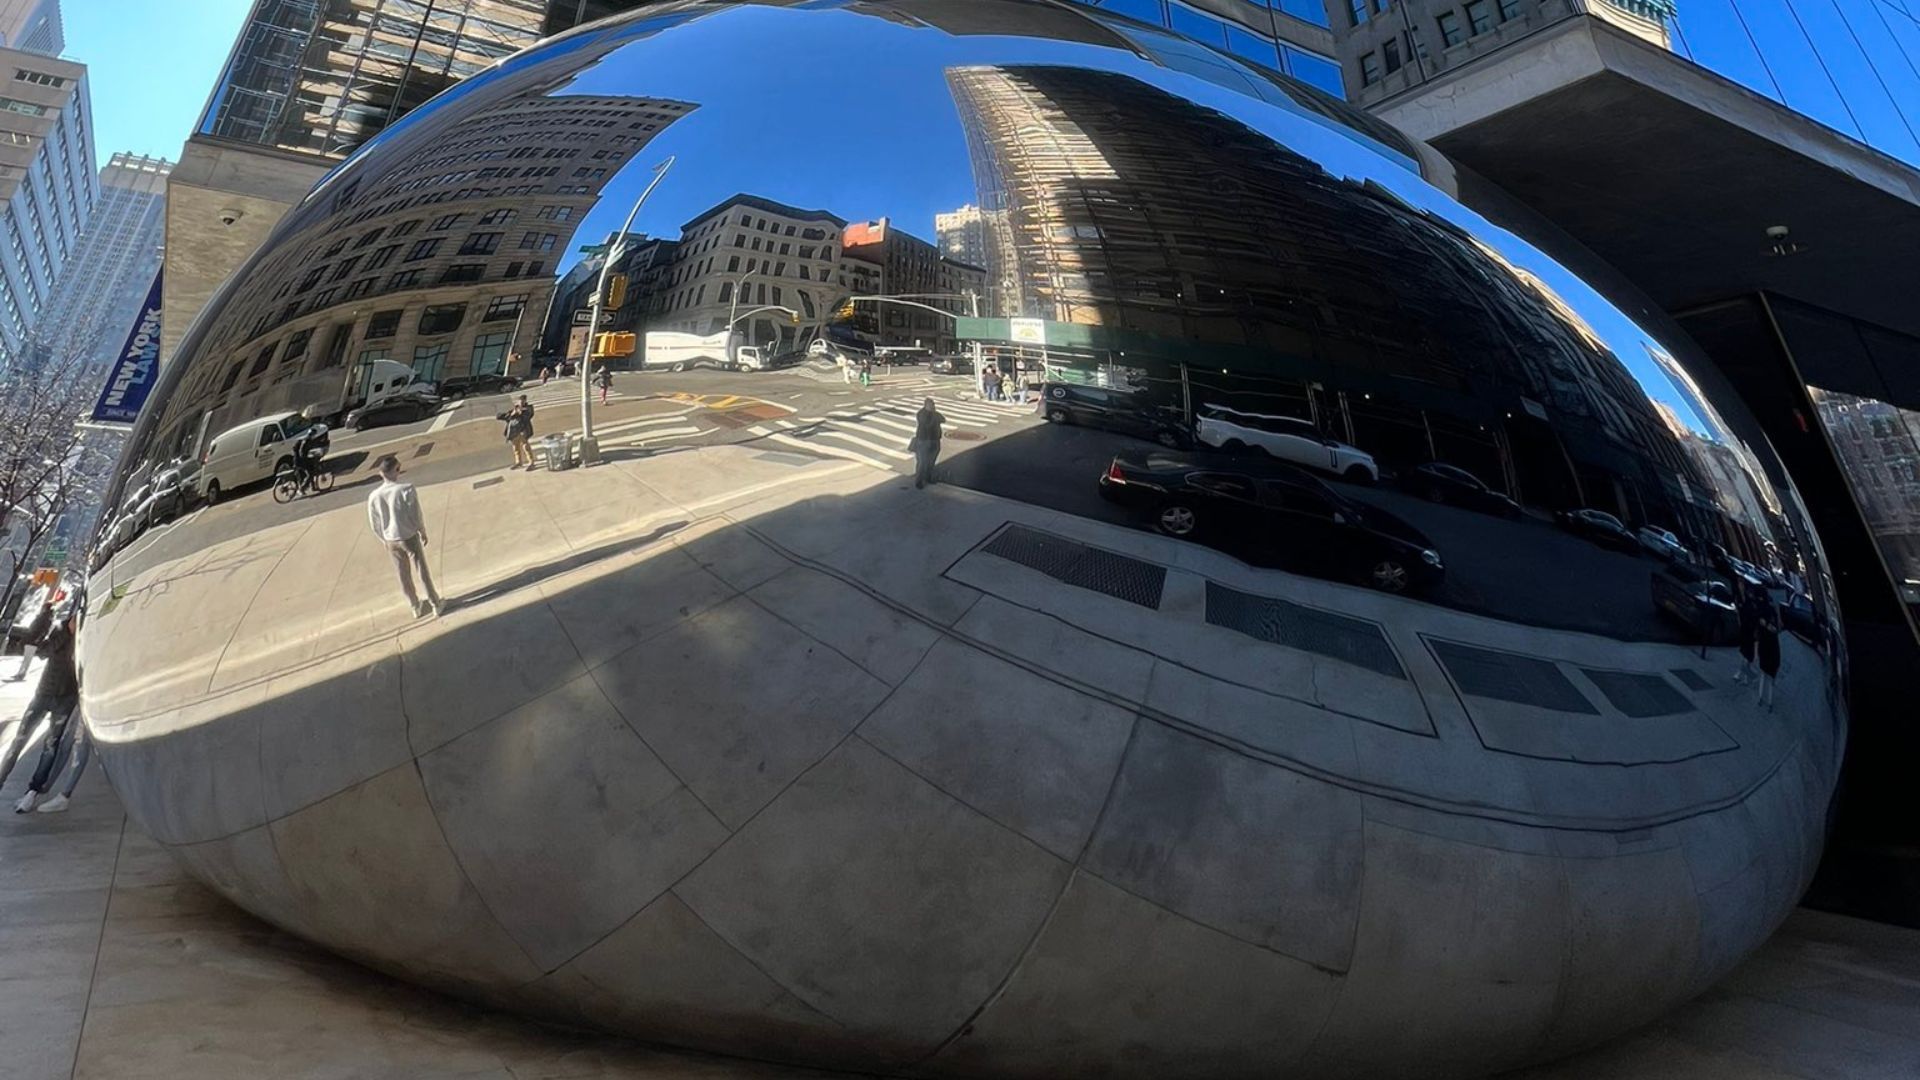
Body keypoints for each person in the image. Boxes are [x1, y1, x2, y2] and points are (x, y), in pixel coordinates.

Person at [1, 610, 78, 812]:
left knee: (51, 745)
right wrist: (51, 619)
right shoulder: (60, 629)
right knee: (19, 741)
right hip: (44, 693)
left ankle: (32, 792)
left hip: (66, 698)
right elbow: (41, 650)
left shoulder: (88, 637)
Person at [367, 454, 442, 618]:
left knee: (402, 574)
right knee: (421, 570)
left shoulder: (374, 496)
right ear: (395, 470)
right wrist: (422, 530)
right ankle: (434, 603)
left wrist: (383, 539)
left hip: (390, 539)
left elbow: (375, 523)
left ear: (381, 473)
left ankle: (415, 605)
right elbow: (416, 514)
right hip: (408, 535)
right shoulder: (406, 489)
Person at [5, 598, 52, 681]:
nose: (42, 608)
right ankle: (20, 673)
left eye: (44, 606)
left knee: (27, 659)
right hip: (31, 639)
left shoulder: (46, 618)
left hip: (33, 640)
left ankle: (21, 674)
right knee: (26, 658)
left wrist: (37, 639)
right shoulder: (43, 616)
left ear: (46, 608)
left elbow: (44, 631)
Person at [910, 397, 946, 489]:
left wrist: (934, 413)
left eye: (933, 405)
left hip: (935, 440)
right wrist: (934, 415)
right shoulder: (921, 414)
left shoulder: (935, 414)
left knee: (931, 461)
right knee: (922, 462)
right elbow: (927, 424)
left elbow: (943, 419)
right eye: (931, 405)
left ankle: (929, 477)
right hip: (924, 441)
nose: (933, 406)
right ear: (926, 405)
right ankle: (919, 481)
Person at [1754, 596, 1782, 710]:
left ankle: (1763, 699)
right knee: (1767, 679)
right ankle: (1766, 701)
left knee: (1765, 678)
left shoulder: (1766, 633)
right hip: (1770, 658)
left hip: (1768, 657)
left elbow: (1759, 641)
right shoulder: (1772, 634)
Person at [504, 394, 535, 469]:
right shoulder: (516, 408)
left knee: (525, 446)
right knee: (515, 447)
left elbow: (528, 416)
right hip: (514, 431)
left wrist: (520, 412)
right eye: (520, 401)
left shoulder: (529, 408)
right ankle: (518, 462)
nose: (521, 402)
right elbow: (508, 417)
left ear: (525, 401)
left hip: (523, 429)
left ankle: (531, 462)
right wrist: (513, 413)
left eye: (522, 401)